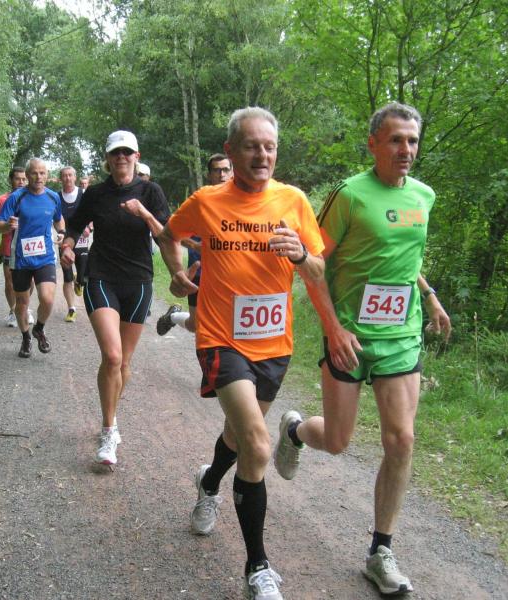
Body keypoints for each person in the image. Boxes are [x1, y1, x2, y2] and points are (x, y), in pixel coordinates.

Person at [272, 102, 452, 596]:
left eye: (412, 141)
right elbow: (314, 265)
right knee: (338, 441)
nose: (406, 149)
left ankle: (380, 551)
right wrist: (333, 329)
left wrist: (430, 297)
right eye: (395, 140)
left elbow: (403, 255)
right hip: (350, 334)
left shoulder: (424, 196)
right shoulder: (349, 195)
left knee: (402, 440)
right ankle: (295, 430)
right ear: (373, 144)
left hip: (401, 336)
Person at [157, 107, 325, 600]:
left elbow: (319, 271)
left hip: (274, 344)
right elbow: (169, 234)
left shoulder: (293, 201)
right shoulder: (208, 201)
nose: (262, 155)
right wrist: (177, 273)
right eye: (252, 146)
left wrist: (301, 255)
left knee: (237, 435)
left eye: (269, 147)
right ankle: (258, 567)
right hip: (220, 339)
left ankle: (209, 483)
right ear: (231, 151)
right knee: (256, 443)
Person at [61, 130, 169, 468]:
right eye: (115, 153)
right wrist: (67, 245)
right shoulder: (96, 194)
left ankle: (112, 413)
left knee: (123, 364)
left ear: (136, 156)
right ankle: (108, 432)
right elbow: (74, 227)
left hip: (138, 282)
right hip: (102, 277)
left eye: (127, 152)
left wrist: (145, 214)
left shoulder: (151, 192)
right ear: (107, 158)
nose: (121, 157)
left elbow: (167, 236)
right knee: (112, 356)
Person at [0, 158, 65, 358]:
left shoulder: (53, 197)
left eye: (42, 173)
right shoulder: (17, 197)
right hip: (21, 258)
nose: (38, 177)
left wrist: (61, 232)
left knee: (47, 298)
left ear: (47, 175)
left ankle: (39, 328)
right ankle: (25, 337)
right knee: (22, 303)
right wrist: (7, 226)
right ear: (27, 175)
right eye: (34, 173)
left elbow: (58, 219)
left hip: (45, 256)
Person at [157, 153, 233, 336]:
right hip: (198, 272)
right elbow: (169, 234)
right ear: (209, 175)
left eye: (225, 170)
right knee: (195, 324)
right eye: (217, 170)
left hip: (226, 274)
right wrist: (193, 245)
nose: (222, 174)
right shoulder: (199, 202)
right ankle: (172, 316)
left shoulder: (239, 203)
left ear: (232, 173)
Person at [0, 167, 34, 328]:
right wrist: (6, 226)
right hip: (9, 245)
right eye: (17, 179)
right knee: (10, 281)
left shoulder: (33, 198)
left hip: (29, 246)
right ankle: (13, 310)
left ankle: (24, 308)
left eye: (24, 179)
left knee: (30, 281)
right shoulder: (2, 200)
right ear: (11, 180)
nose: (21, 182)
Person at [57, 166, 88, 323]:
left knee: (83, 277)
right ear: (60, 179)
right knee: (67, 276)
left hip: (81, 237)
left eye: (70, 175)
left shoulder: (83, 194)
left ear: (75, 177)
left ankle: (79, 280)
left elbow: (92, 213)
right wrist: (59, 232)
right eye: (64, 175)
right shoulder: (57, 197)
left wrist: (89, 227)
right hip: (64, 238)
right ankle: (71, 309)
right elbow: (55, 217)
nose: (68, 178)